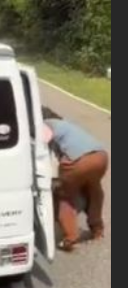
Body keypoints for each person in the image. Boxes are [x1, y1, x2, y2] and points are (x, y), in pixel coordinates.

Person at [42, 107, 108, 251]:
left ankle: (70, 238)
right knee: (94, 191)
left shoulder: (45, 124)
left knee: (65, 196)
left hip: (78, 160)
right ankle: (97, 230)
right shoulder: (68, 124)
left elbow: (43, 149)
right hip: (101, 156)